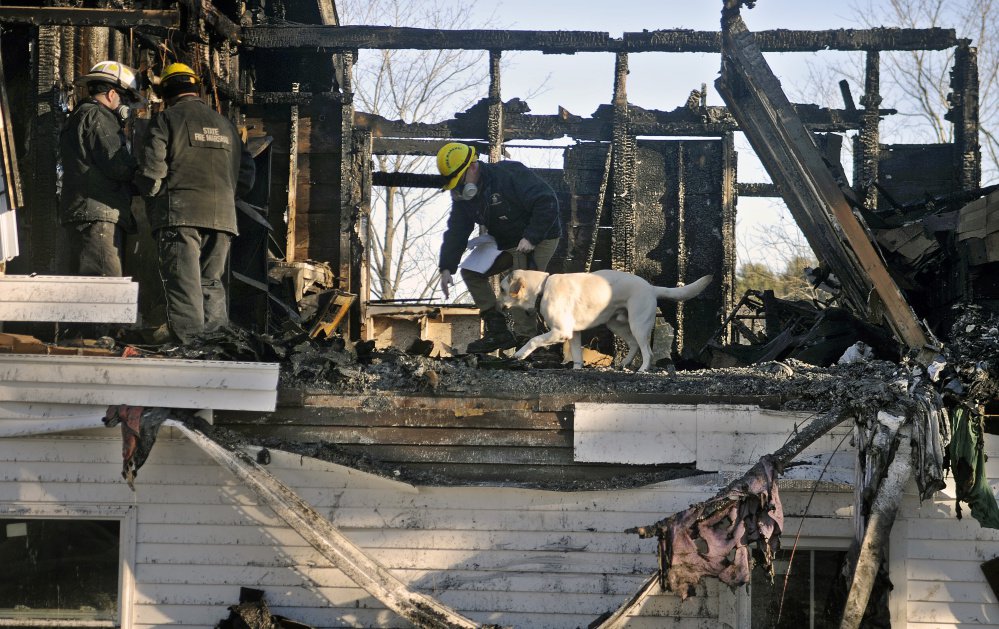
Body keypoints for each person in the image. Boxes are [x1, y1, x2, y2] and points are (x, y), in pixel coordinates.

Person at [135, 62, 255, 344]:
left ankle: (190, 349)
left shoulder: (166, 120)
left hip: (181, 216)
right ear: (194, 88)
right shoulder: (226, 125)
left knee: (184, 284)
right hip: (223, 218)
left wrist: (147, 195)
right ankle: (215, 348)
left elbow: (153, 173)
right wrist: (227, 196)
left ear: (165, 92)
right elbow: (248, 174)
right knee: (211, 282)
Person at [436, 142, 563, 353]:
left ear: (473, 167)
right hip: (504, 239)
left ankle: (529, 342)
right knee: (471, 272)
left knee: (518, 284)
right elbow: (457, 229)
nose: (457, 187)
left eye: (459, 181)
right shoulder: (464, 195)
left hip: (539, 236)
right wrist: (447, 266)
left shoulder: (509, 174)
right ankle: (498, 331)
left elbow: (547, 202)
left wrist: (531, 237)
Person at [60, 60, 142, 278]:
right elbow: (118, 166)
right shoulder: (99, 116)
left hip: (85, 212)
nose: (126, 107)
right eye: (125, 99)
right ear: (112, 94)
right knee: (104, 288)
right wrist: (147, 175)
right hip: (98, 215)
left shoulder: (80, 115)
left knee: (86, 291)